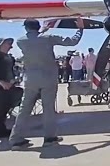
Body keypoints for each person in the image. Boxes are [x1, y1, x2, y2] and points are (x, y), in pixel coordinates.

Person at [8, 17, 84, 150]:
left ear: (26, 28)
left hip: (31, 79)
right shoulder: (48, 38)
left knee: (24, 109)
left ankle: (16, 138)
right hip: (48, 77)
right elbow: (72, 41)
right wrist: (80, 29)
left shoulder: (21, 41)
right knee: (48, 108)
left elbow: (34, 39)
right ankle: (49, 137)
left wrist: (42, 32)